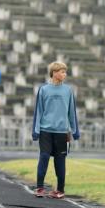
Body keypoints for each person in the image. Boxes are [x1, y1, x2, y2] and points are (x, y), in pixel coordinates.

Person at [31, 61, 80, 199]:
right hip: (45, 131)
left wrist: (75, 131)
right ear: (54, 73)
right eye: (62, 71)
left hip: (62, 132)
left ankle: (60, 190)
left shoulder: (68, 90)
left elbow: (72, 112)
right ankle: (40, 187)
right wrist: (36, 131)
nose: (65, 74)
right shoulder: (44, 89)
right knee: (44, 156)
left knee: (60, 160)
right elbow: (38, 111)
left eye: (65, 71)